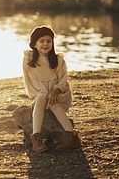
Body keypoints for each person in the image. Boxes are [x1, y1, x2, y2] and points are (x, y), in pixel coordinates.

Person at [22, 25, 81, 153]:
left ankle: (71, 136)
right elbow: (29, 82)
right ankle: (36, 137)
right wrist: (39, 94)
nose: (45, 44)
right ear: (34, 44)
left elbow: (63, 80)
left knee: (52, 102)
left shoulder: (58, 60)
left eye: (49, 41)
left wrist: (56, 91)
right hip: (39, 96)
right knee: (43, 97)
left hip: (59, 94)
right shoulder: (29, 60)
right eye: (41, 41)